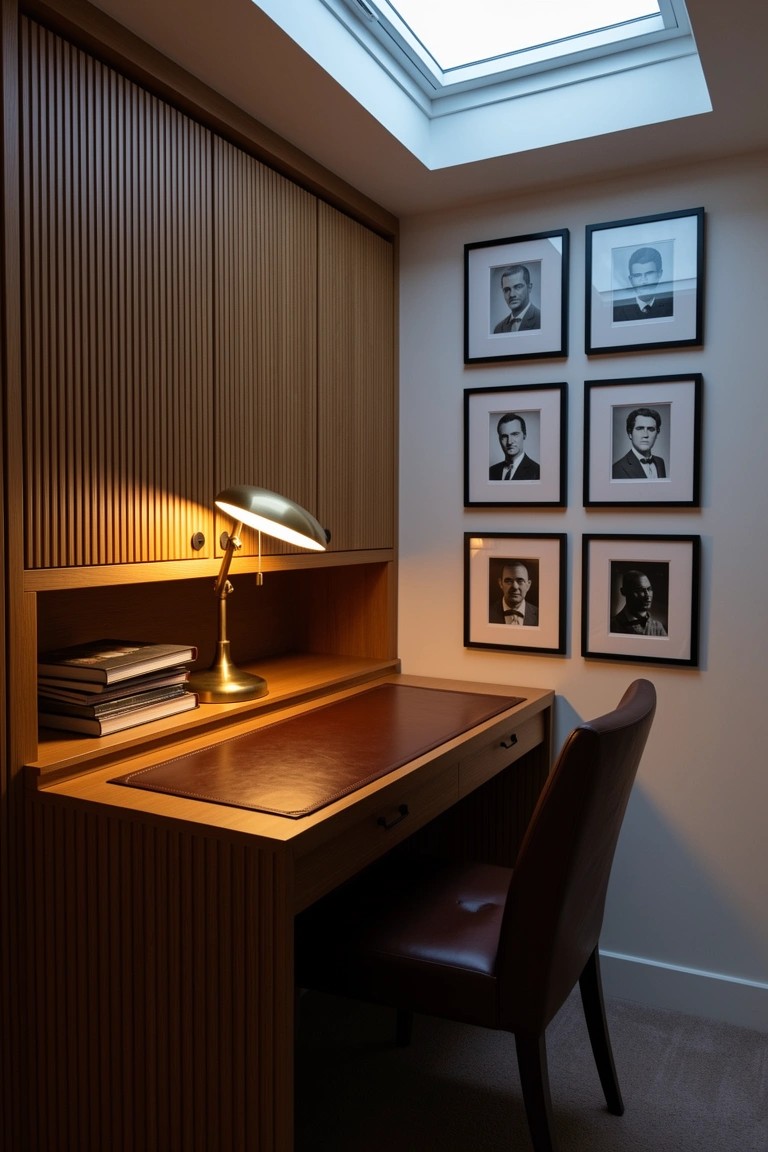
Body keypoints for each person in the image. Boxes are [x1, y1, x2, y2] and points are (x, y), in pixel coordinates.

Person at [613, 246, 673, 321]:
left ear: (659, 274)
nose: (643, 281)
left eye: (649, 273)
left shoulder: (673, 306)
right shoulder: (616, 312)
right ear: (631, 279)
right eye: (637, 275)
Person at [612, 408, 666, 479]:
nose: (645, 435)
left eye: (651, 429)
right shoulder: (617, 468)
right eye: (640, 428)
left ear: (657, 434)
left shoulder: (660, 462)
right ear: (630, 434)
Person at [609, 570, 667, 635]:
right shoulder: (611, 626)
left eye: (649, 589)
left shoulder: (658, 628)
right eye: (640, 590)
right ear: (624, 591)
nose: (647, 596)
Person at [489, 412, 540, 480]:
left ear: (524, 435)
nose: (509, 442)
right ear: (499, 439)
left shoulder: (538, 471)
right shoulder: (491, 471)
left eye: (515, 434)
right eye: (504, 437)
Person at [493, 265, 541, 332]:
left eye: (518, 287)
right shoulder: (498, 329)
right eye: (507, 290)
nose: (512, 295)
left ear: (529, 288)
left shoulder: (542, 319)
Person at [489, 561, 539, 626]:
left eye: (520, 581)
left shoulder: (541, 615)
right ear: (500, 583)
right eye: (508, 581)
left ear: (528, 585)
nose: (515, 587)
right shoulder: (486, 613)